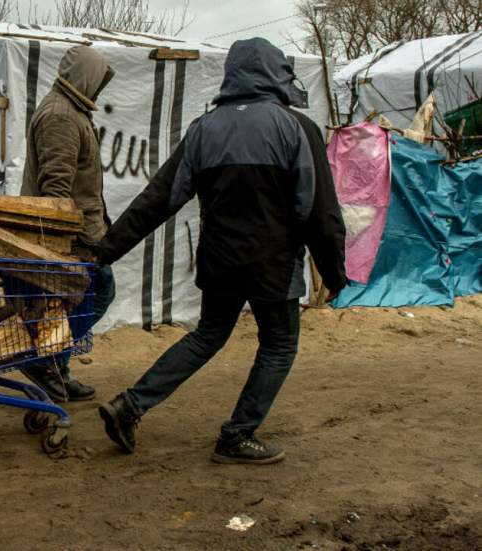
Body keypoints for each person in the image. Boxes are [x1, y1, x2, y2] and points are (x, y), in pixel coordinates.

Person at [96, 38, 347, 464]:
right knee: (279, 345)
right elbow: (318, 210)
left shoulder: (203, 129)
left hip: (219, 263)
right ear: (275, 74)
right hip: (273, 265)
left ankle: (130, 406)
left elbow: (157, 199)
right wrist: (334, 273)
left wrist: (106, 251)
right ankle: (236, 436)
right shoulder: (296, 128)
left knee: (208, 336)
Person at [19, 45, 118, 402]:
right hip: (71, 237)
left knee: (68, 302)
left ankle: (56, 367)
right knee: (99, 291)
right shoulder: (60, 115)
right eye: (98, 79)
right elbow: (56, 189)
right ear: (85, 76)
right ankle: (43, 357)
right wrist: (69, 245)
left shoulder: (71, 110)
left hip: (83, 231)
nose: (100, 88)